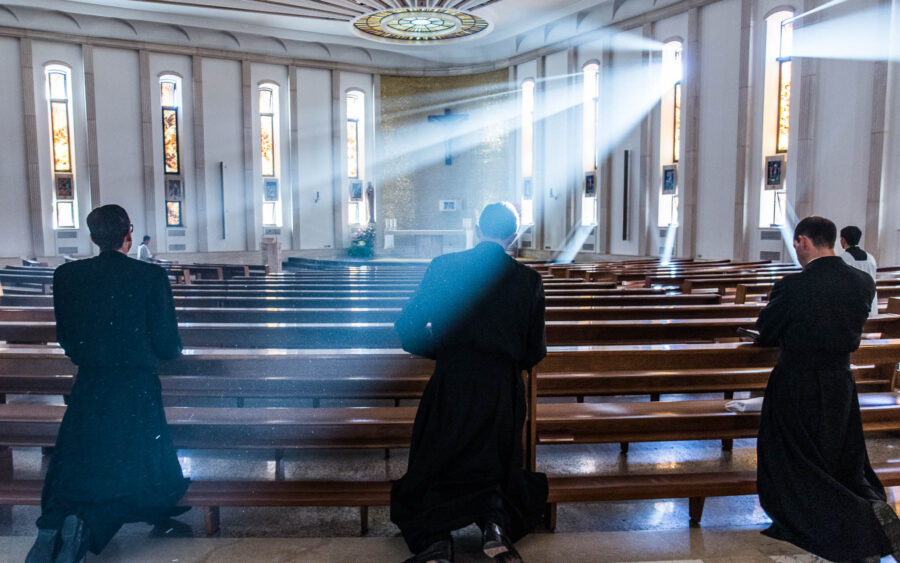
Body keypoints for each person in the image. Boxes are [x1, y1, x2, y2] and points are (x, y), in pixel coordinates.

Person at [25, 205, 188, 563]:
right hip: (135, 387)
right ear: (128, 233)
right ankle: (90, 525)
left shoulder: (66, 276)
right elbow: (167, 346)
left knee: (83, 459)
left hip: (90, 385)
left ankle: (53, 524)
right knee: (134, 466)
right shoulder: (150, 277)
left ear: (92, 236)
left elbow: (67, 338)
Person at [391, 202, 548, 563]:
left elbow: (408, 329)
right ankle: (495, 525)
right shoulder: (528, 280)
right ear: (513, 236)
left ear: (478, 229)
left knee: (439, 458)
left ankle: (436, 540)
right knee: (495, 460)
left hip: (452, 383)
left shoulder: (443, 267)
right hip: (499, 389)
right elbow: (533, 350)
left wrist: (444, 354)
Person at [755, 216, 900, 562]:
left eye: (795, 243)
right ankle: (869, 510)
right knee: (839, 457)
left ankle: (848, 521)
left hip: (796, 383)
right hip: (839, 383)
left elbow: (767, 330)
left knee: (794, 459)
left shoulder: (793, 286)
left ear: (803, 241)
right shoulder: (863, 282)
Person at [840, 225, 879, 316]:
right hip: (871, 301)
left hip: (852, 305)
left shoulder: (843, 259)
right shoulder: (870, 258)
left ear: (843, 240)